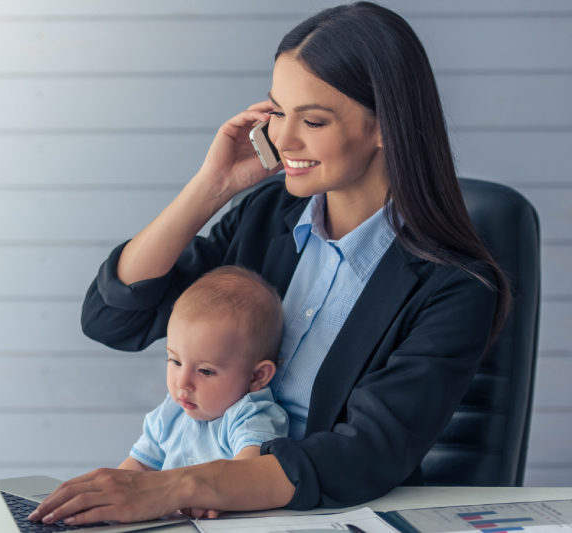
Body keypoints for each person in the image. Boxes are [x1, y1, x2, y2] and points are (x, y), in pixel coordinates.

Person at [29, 1, 511, 526]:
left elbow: (366, 457)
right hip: (199, 509)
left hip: (315, 516)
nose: (282, 139)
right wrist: (208, 191)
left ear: (385, 127)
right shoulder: (268, 215)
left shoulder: (454, 286)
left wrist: (169, 487)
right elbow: (114, 320)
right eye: (278, 111)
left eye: (314, 120)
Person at [120, 266, 289, 483]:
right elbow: (139, 466)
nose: (183, 382)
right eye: (175, 361)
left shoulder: (251, 417)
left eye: (205, 371)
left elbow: (247, 475)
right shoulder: (170, 414)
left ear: (257, 376)